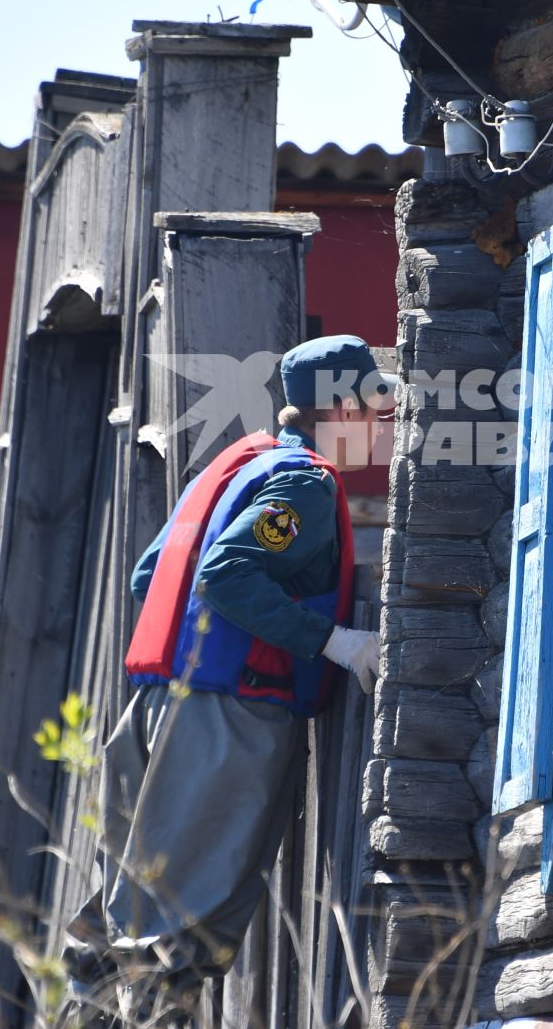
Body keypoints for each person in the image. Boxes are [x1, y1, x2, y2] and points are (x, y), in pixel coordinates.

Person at [66, 334, 389, 992]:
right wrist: (339, 644)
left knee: (124, 922)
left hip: (159, 711)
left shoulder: (240, 465)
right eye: (374, 402)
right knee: (176, 939)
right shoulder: (303, 484)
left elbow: (149, 576)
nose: (382, 419)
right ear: (342, 409)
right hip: (225, 721)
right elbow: (227, 574)